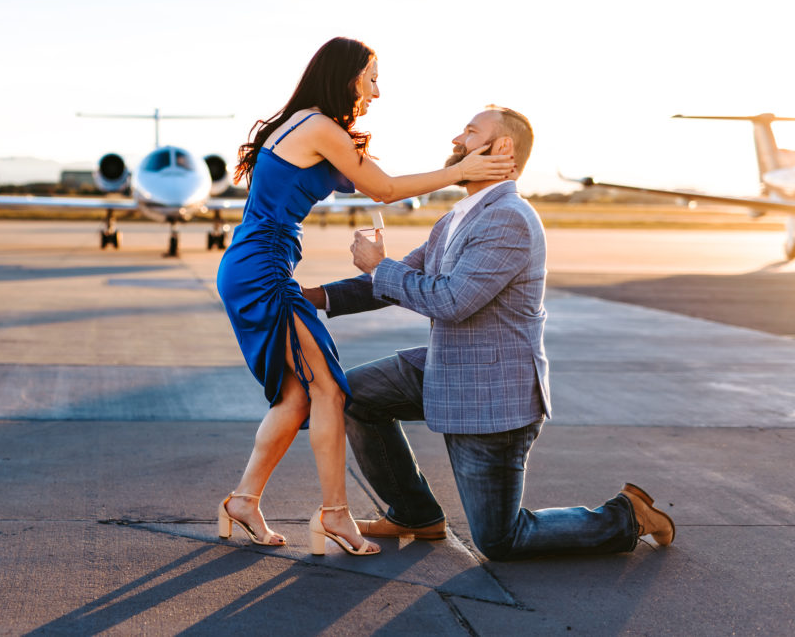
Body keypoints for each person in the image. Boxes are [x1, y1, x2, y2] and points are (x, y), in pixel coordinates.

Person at [302, 106, 675, 560]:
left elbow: (450, 301)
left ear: (502, 149)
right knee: (351, 395)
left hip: (492, 393)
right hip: (446, 367)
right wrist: (311, 297)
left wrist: (381, 267)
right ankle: (414, 514)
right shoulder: (458, 218)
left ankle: (626, 516)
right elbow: (401, 279)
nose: (457, 137)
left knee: (501, 539)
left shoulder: (508, 219)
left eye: (470, 131)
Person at [215, 38, 515, 557]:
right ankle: (335, 515)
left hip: (254, 263)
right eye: (372, 78)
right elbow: (386, 189)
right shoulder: (318, 127)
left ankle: (244, 500)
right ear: (347, 75)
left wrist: (459, 170)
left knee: (298, 394)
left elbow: (381, 180)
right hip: (262, 266)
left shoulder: (310, 126)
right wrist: (464, 172)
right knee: (330, 389)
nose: (377, 91)